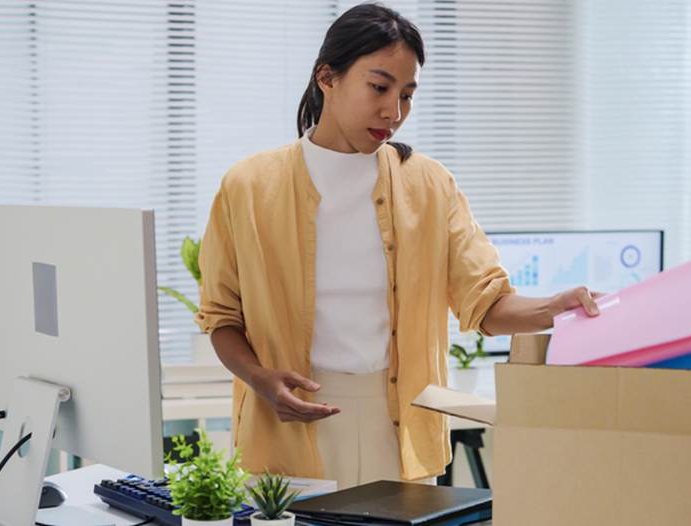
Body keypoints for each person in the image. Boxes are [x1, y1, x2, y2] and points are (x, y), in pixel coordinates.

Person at [194, 2, 601, 490]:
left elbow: (486, 303)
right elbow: (221, 318)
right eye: (379, 87)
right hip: (285, 427)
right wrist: (261, 380)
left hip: (402, 425)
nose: (395, 111)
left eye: (407, 95)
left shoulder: (429, 185)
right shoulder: (248, 187)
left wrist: (553, 308)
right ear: (327, 77)